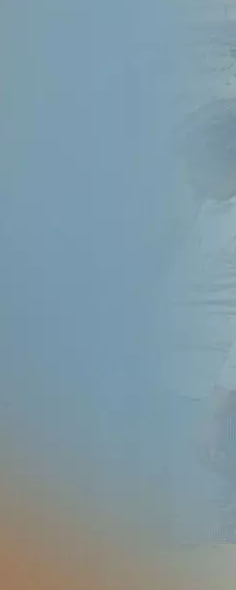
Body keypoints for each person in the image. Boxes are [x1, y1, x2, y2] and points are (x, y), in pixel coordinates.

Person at [168, 97, 236, 545]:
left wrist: (214, 412)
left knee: (208, 530)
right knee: (190, 522)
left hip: (213, 399)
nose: (189, 174)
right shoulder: (213, 204)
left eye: (196, 163)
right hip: (184, 389)